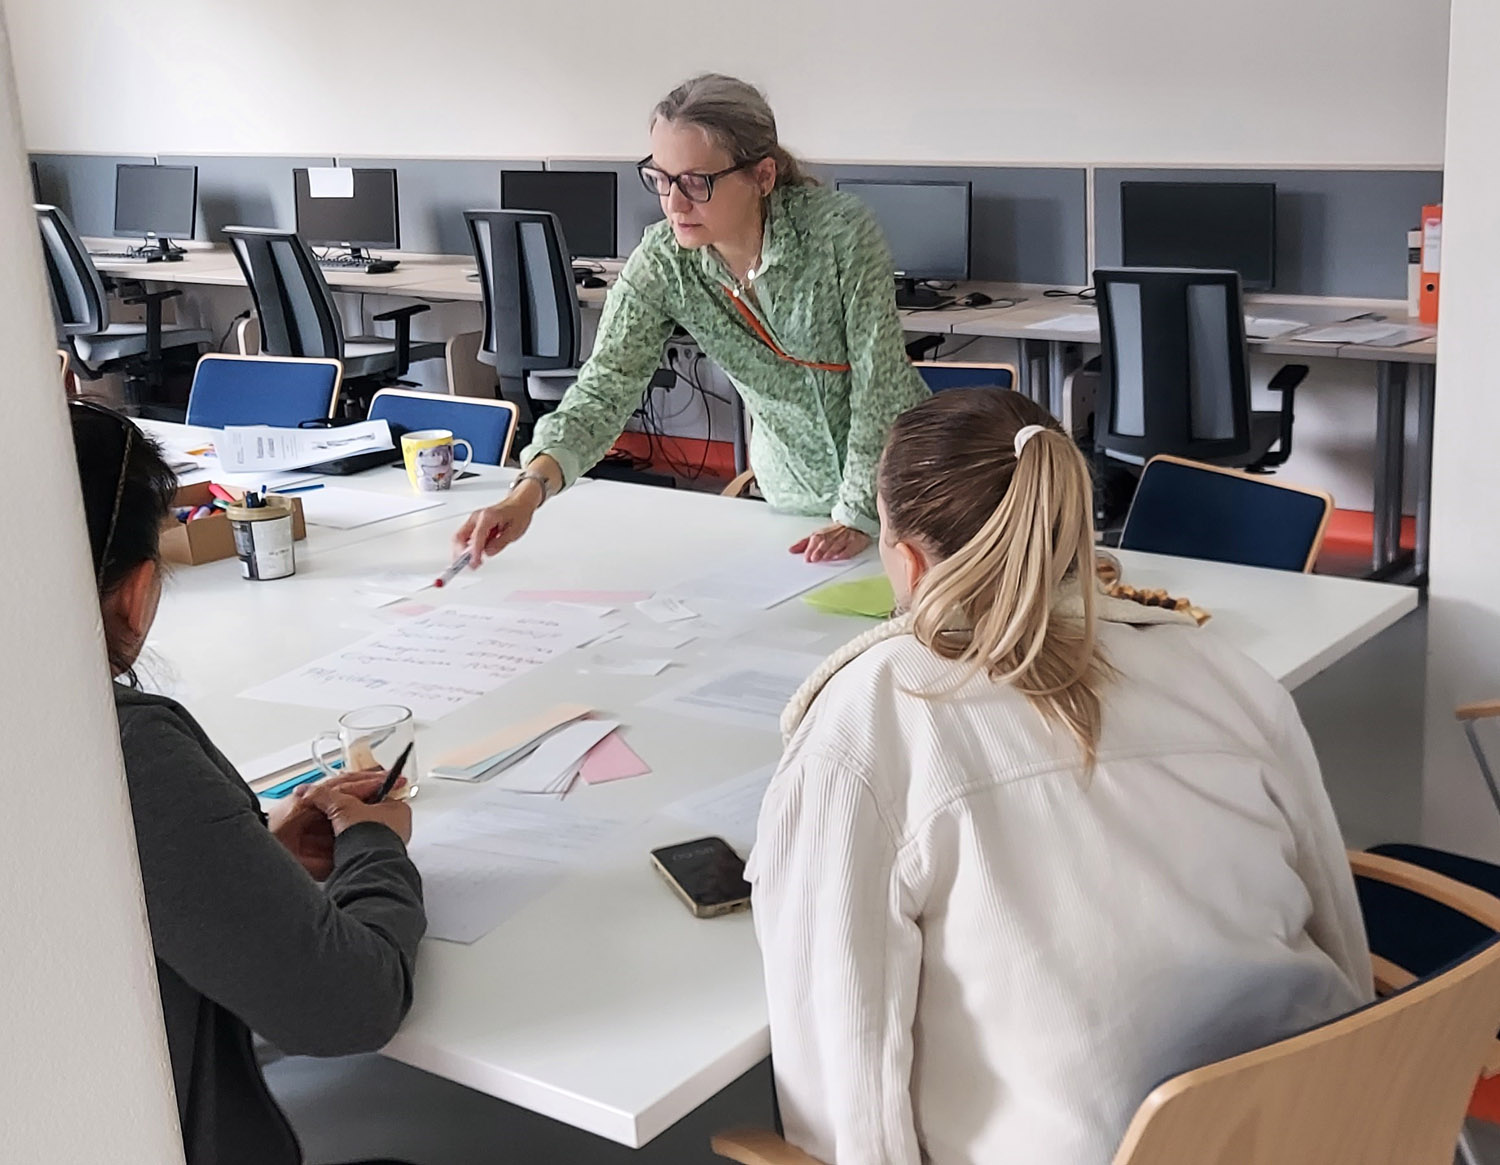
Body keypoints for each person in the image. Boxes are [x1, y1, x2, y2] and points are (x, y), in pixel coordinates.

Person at [747, 389, 1372, 1164]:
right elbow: (1343, 941)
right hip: (1336, 1124)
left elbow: (846, 1096)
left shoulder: (868, 723)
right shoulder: (1223, 671)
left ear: (906, 561)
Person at [71, 399, 426, 1165]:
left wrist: (245, 854)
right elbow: (347, 1005)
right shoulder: (117, 750)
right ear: (137, 589)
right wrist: (375, 847)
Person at [455, 73, 929, 568]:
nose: (674, 203)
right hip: (794, 503)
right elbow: (604, 387)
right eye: (661, 178)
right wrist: (527, 492)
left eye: (696, 182)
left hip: (903, 492)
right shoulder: (665, 261)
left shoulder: (839, 232)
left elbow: (879, 385)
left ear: (763, 176)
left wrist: (857, 515)